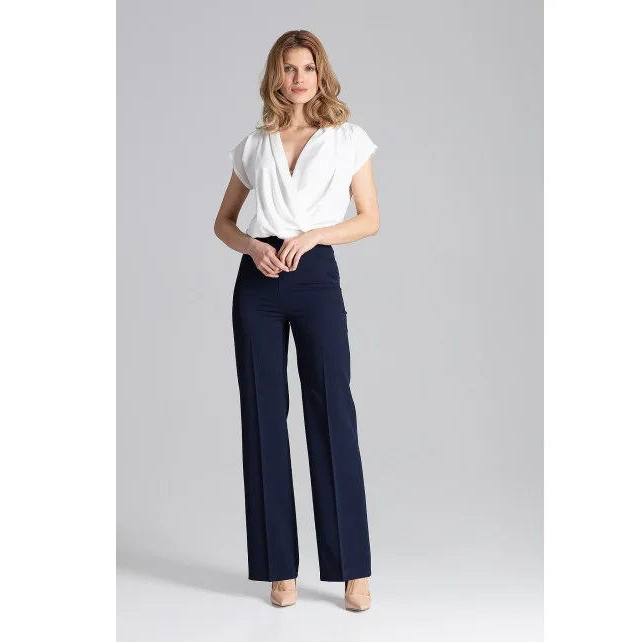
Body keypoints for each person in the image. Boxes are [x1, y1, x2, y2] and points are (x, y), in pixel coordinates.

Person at [214, 29, 379, 612]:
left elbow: (369, 218)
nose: (299, 78)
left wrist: (313, 236)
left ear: (320, 72)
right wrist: (251, 247)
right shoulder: (255, 144)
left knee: (332, 412)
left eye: (307, 67)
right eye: (288, 68)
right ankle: (278, 567)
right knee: (263, 417)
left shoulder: (347, 139)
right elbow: (224, 222)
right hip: (258, 284)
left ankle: (352, 569)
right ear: (275, 77)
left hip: (315, 278)